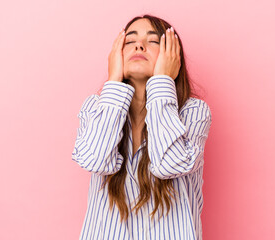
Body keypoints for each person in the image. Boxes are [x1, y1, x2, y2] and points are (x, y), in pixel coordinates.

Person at [72, 14, 212, 240]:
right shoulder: (95, 108)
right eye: (129, 41)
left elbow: (167, 165)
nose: (139, 45)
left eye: (153, 41)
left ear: (173, 56)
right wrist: (114, 81)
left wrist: (162, 82)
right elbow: (94, 160)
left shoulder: (193, 112)